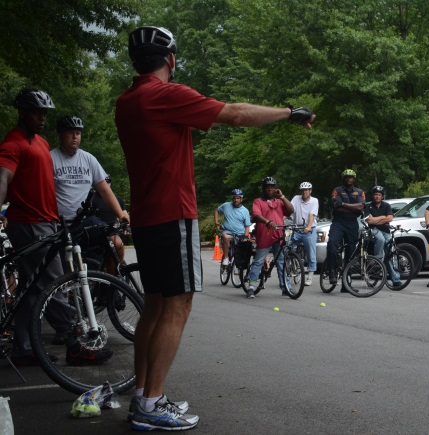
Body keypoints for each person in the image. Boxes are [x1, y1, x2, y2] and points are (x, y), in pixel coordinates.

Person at [115, 25, 314, 430]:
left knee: (154, 304)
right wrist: (289, 112)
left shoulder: (128, 101)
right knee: (178, 303)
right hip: (174, 214)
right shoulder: (165, 95)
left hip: (148, 217)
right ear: (171, 60)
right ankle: (152, 405)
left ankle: (142, 394)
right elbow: (235, 114)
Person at [0, 89, 111, 367]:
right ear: (22, 112)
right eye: (37, 113)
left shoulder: (40, 142)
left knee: (31, 288)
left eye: (45, 114)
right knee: (52, 282)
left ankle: (24, 348)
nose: (42, 118)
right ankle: (74, 343)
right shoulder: (14, 144)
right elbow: (3, 177)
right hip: (29, 224)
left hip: (48, 222)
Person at [51, 117, 130, 273]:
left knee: (117, 243)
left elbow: (105, 190)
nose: (75, 137)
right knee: (62, 270)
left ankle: (107, 289)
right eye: (71, 133)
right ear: (60, 135)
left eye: (78, 133)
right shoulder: (50, 158)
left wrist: (120, 214)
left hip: (84, 222)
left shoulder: (88, 159)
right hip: (60, 225)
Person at [246, 177, 294, 298]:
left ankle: (285, 287)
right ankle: (251, 287)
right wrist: (267, 222)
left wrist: (282, 196)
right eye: (268, 188)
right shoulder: (258, 201)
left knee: (281, 261)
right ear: (263, 189)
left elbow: (291, 210)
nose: (270, 190)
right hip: (264, 235)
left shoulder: (279, 201)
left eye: (272, 188)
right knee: (259, 261)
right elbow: (256, 214)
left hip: (278, 234)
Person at [326, 169, 366, 290]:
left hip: (352, 224)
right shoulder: (337, 190)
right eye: (346, 177)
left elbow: (361, 206)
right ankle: (332, 271)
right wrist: (352, 208)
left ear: (354, 179)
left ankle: (346, 283)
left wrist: (343, 205)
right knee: (332, 244)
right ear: (343, 178)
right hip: (338, 222)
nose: (349, 179)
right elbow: (335, 206)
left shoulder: (360, 192)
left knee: (351, 253)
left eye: (351, 177)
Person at [364, 185, 401, 288]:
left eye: (379, 195)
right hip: (374, 230)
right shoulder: (368, 206)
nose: (377, 196)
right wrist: (382, 217)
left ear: (382, 196)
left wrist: (376, 219)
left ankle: (396, 280)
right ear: (373, 196)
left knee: (391, 253)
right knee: (380, 239)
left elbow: (390, 218)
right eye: (375, 194)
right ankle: (377, 262)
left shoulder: (386, 205)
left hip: (385, 230)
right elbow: (369, 221)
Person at [290, 182, 318, 286]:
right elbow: (289, 211)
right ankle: (291, 267)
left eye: (306, 190)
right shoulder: (296, 199)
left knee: (311, 252)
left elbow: (311, 215)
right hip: (297, 229)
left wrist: (309, 227)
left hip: (308, 230)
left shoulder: (314, 201)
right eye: (302, 190)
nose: (304, 192)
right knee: (289, 247)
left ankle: (309, 277)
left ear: (310, 191)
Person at [215, 189, 251, 266]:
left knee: (245, 247)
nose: (236, 200)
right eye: (234, 198)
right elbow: (216, 211)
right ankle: (226, 258)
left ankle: (241, 265)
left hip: (239, 234)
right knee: (226, 237)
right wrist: (217, 223)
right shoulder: (226, 205)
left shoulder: (245, 211)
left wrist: (245, 236)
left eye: (238, 198)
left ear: (241, 199)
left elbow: (247, 226)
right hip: (227, 231)